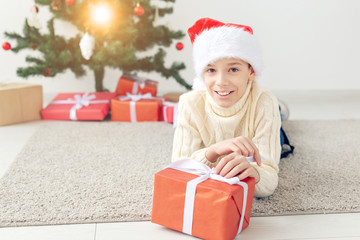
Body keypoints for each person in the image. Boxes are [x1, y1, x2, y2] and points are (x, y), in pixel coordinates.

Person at [172, 18, 289, 198]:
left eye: (233, 69)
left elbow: (269, 176)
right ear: (202, 74)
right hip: (218, 120)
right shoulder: (189, 103)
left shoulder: (264, 103)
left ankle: (279, 112)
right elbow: (179, 170)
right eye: (211, 70)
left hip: (258, 113)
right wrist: (214, 150)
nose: (221, 82)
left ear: (251, 72)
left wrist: (254, 174)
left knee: (278, 135)